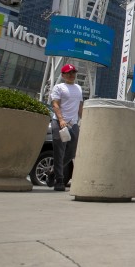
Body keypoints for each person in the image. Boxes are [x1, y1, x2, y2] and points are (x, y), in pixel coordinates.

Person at [47, 63, 83, 192]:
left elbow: (79, 107)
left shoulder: (78, 88)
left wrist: (83, 120)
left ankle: (53, 172)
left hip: (73, 124)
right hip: (60, 123)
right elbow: (55, 104)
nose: (71, 75)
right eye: (68, 73)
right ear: (63, 75)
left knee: (72, 152)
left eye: (73, 73)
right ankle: (59, 180)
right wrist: (61, 120)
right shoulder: (59, 87)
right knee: (59, 152)